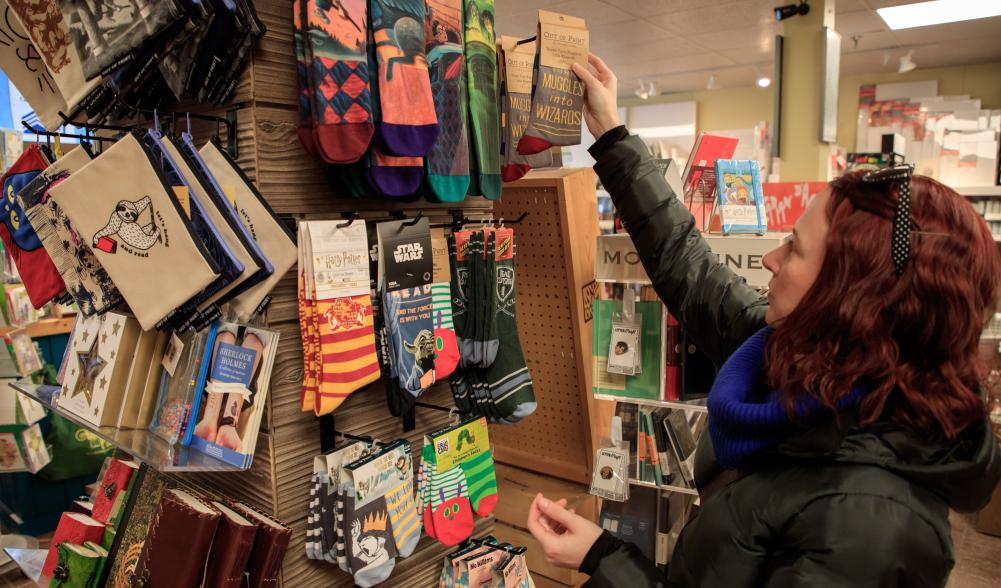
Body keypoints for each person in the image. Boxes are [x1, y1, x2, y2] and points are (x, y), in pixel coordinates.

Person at [525, 53, 1001, 587]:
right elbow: (689, 267)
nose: (771, 260)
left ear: (852, 299)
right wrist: (611, 133)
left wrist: (607, 560)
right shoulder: (800, 359)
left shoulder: (871, 528)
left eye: (794, 249)